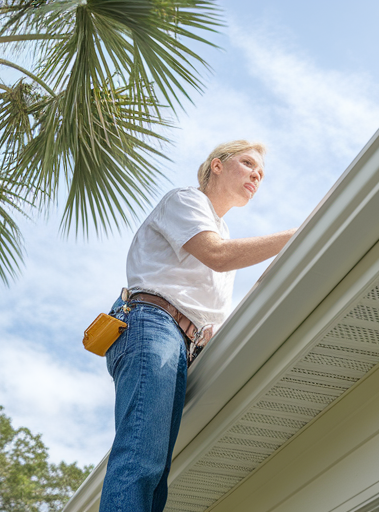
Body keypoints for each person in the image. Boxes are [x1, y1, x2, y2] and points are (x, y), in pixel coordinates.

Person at [100, 141, 297, 511]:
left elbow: (213, 323)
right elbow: (218, 256)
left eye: (262, 172)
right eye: (247, 163)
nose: (257, 174)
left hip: (181, 344)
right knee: (140, 459)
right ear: (217, 166)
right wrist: (298, 236)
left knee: (155, 475)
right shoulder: (186, 201)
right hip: (151, 323)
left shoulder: (219, 230)